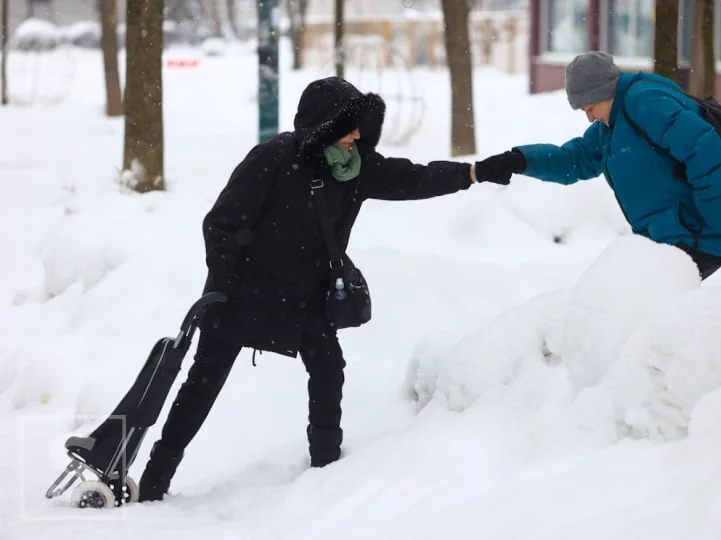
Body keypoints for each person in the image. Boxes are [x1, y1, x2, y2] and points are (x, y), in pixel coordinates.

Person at [137, 76, 512, 502]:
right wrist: (223, 280)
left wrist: (474, 172)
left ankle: (326, 470)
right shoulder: (273, 159)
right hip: (242, 294)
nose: (356, 134)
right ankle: (155, 479)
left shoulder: (356, 167)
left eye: (358, 126)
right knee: (202, 385)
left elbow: (414, 178)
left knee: (329, 369)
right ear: (323, 126)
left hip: (304, 296)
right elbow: (221, 222)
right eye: (347, 126)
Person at [475, 51, 721, 280]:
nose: (589, 118)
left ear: (604, 92)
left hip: (704, 234)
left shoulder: (644, 103)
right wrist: (519, 160)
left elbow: (704, 150)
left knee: (643, 310)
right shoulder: (612, 125)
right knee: (641, 310)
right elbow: (574, 160)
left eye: (589, 108)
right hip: (674, 236)